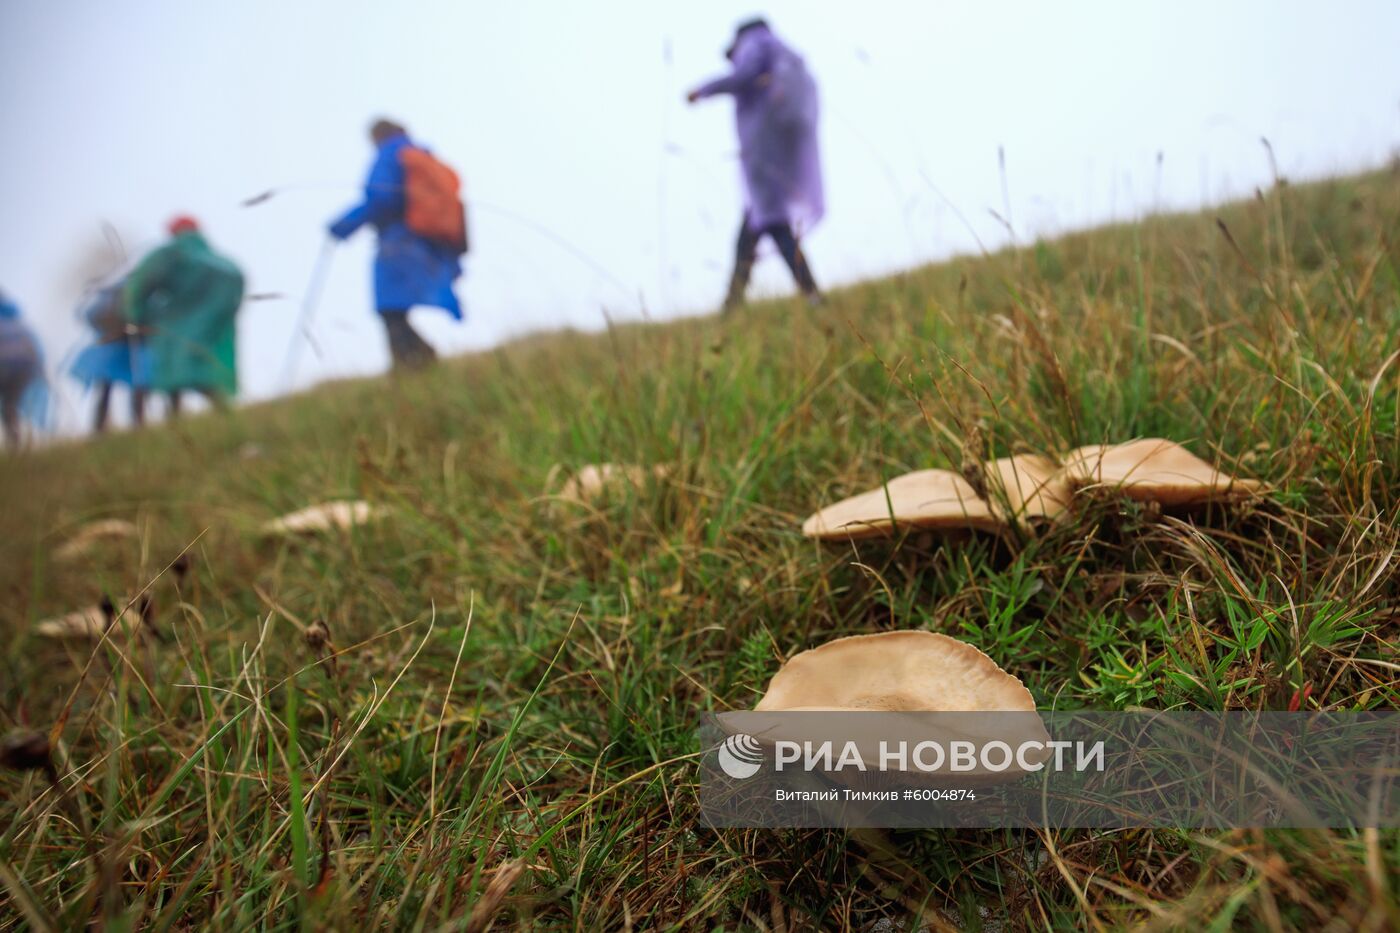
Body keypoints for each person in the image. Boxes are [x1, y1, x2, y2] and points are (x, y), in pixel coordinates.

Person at [688, 18, 825, 313]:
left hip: (762, 155)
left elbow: (744, 76)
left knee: (773, 225)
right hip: (773, 153)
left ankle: (809, 296)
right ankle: (734, 303)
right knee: (753, 229)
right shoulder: (781, 52)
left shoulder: (755, 44)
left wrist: (704, 89)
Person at [328, 118, 467, 371]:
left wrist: (343, 225)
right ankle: (418, 363)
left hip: (399, 241)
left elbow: (380, 198)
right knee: (394, 309)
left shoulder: (389, 155)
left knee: (389, 309)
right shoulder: (422, 157)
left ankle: (412, 367)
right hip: (428, 242)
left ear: (377, 136)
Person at [124, 216, 245, 415]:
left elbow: (140, 284)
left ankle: (175, 421)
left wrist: (135, 315)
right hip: (216, 328)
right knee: (209, 374)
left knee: (173, 376)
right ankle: (227, 415)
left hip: (175, 327)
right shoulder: (223, 263)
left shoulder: (171, 255)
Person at [71, 276, 151, 432]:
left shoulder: (106, 299)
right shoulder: (131, 296)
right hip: (125, 347)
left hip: (113, 349)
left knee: (107, 390)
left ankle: (100, 429)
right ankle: (138, 424)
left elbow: (88, 316)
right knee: (137, 385)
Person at [0, 291, 49, 448]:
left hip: (6, 367)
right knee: (10, 406)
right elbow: (35, 350)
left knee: (9, 407)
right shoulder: (17, 322)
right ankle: (15, 441)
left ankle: (14, 443)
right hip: (25, 368)